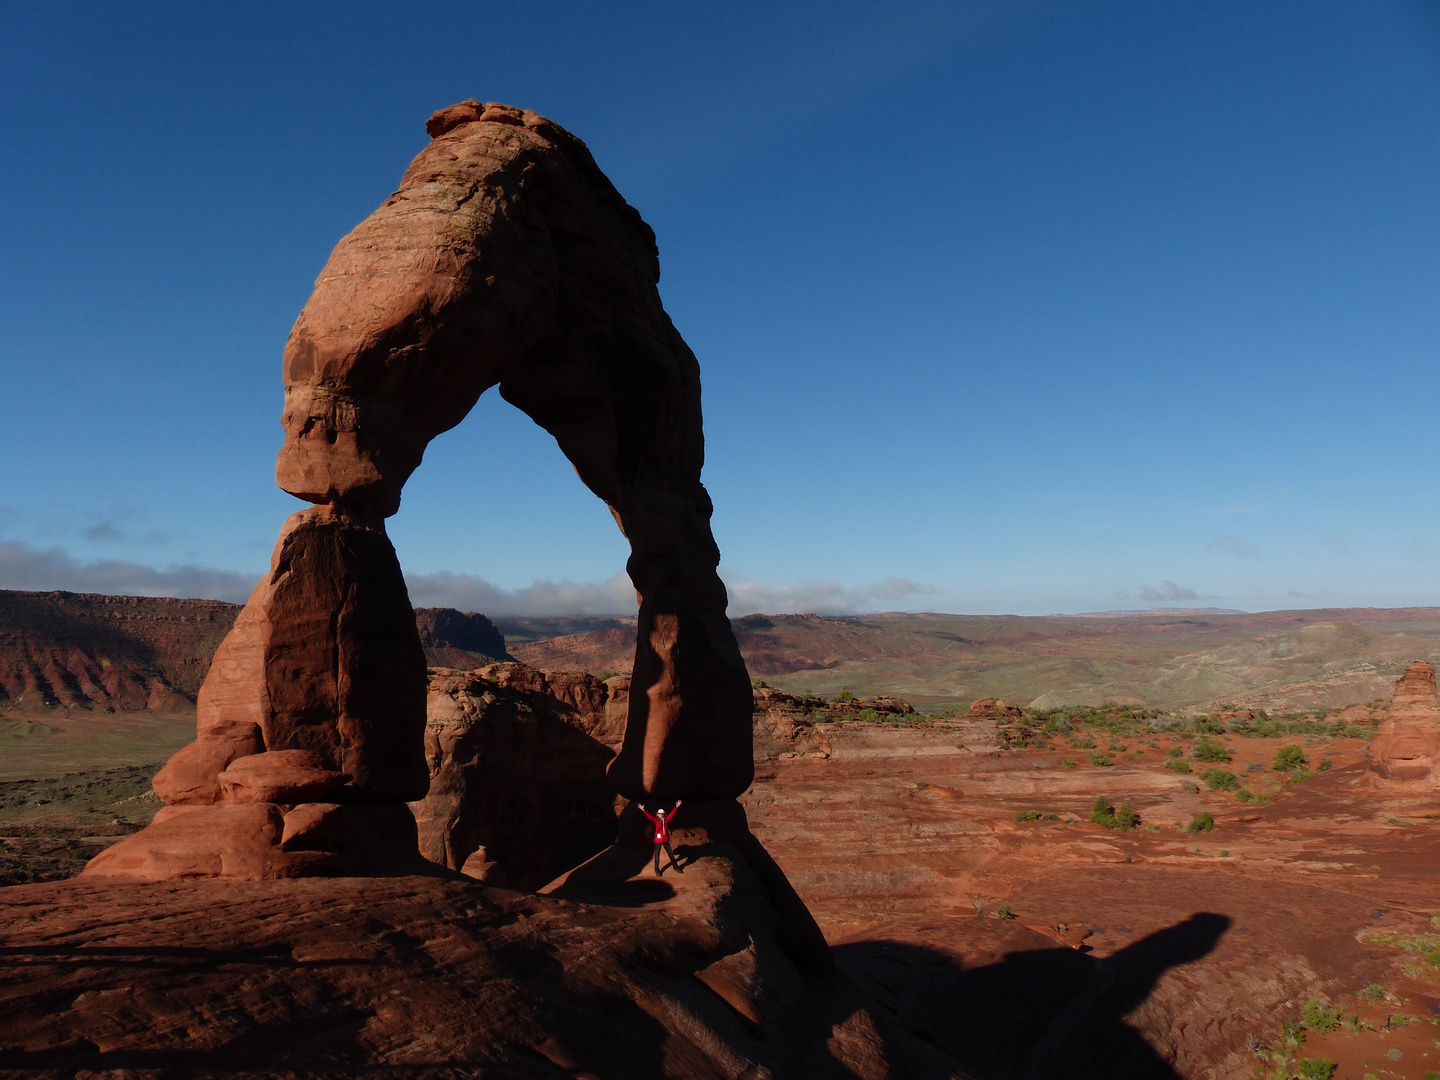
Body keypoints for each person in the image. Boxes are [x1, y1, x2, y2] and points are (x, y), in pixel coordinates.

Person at [639, 800, 684, 876]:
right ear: (657, 814)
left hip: (665, 840)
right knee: (657, 855)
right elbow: (649, 816)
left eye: (662, 814)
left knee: (671, 854)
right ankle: (657, 870)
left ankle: (675, 867)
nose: (661, 815)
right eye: (659, 814)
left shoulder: (666, 820)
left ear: (664, 814)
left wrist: (676, 807)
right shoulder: (656, 820)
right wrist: (643, 810)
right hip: (658, 840)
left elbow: (672, 814)